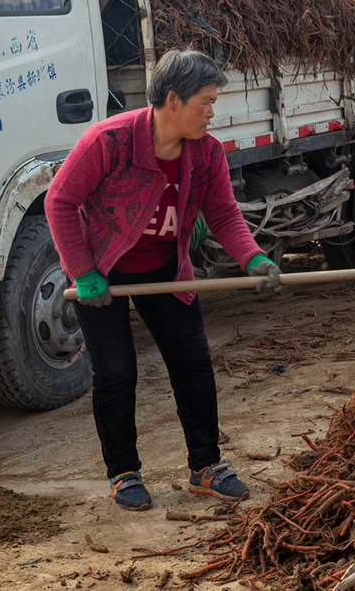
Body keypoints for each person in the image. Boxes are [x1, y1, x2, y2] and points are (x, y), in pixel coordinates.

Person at [45, 48, 282, 511]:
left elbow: (222, 211)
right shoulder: (109, 141)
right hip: (102, 275)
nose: (212, 112)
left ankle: (206, 466)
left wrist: (252, 258)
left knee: (192, 363)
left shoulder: (206, 152)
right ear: (173, 100)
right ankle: (124, 473)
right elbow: (60, 201)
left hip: (166, 269)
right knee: (116, 372)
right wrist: (82, 271)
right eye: (206, 101)